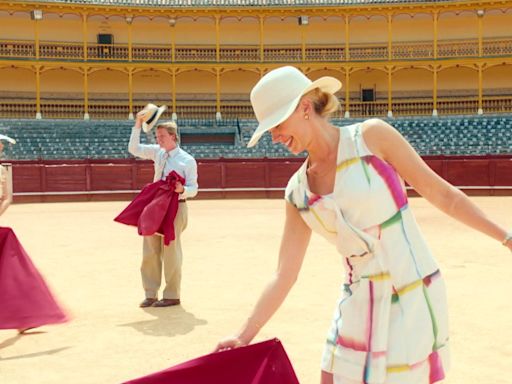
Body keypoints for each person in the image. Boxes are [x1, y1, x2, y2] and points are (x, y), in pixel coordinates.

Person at [215, 66, 512, 384]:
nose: (273, 136)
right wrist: (243, 335)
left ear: (304, 107)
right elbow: (284, 274)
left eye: (276, 124)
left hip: (411, 290)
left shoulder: (372, 137)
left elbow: (444, 195)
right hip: (358, 297)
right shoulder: (297, 191)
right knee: (329, 378)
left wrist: (507, 238)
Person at [128, 107, 198, 308]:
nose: (158, 139)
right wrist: (138, 125)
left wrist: (181, 189)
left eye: (161, 136)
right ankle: (150, 294)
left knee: (171, 251)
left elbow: (195, 188)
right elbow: (134, 149)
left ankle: (172, 295)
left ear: (173, 137)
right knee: (149, 250)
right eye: (157, 136)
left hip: (176, 208)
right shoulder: (158, 152)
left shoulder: (187, 160)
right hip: (154, 206)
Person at [0, 134, 69, 333]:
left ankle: (22, 317)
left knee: (9, 272)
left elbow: (7, 198)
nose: (1, 148)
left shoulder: (2, 169)